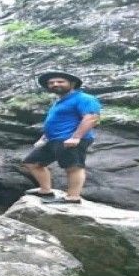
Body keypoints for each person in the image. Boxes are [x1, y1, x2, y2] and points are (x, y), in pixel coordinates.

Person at [23, 70, 102, 204]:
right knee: (32, 163)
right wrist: (43, 138)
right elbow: (56, 122)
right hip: (53, 140)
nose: (55, 84)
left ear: (72, 83)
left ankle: (73, 197)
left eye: (60, 81)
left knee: (73, 167)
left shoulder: (84, 98)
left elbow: (92, 118)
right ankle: (45, 190)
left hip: (70, 138)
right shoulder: (59, 101)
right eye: (51, 83)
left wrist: (76, 137)